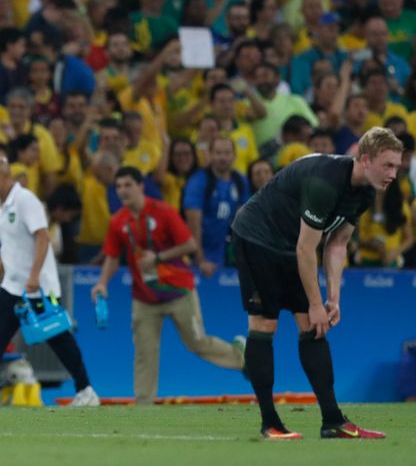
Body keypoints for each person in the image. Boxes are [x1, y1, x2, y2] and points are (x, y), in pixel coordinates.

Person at [231, 127, 399, 440]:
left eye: (397, 167)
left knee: (313, 326)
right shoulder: (325, 183)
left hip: (290, 246)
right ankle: (270, 423)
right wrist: (314, 301)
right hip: (257, 238)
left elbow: (337, 244)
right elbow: (306, 249)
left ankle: (333, 420)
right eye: (387, 165)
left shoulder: (364, 190)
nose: (393, 174)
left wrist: (332, 298)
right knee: (265, 325)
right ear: (365, 160)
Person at [0, 157, 99, 407]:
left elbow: (43, 238)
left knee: (58, 336)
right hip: (14, 285)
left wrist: (35, 276)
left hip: (39, 285)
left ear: (6, 177)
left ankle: (85, 389)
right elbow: (8, 248)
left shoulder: (26, 200)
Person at [91, 167, 244, 405]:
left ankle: (243, 358)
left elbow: (190, 245)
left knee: (197, 342)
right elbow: (112, 256)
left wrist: (158, 258)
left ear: (141, 186)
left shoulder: (163, 212)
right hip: (144, 298)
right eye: (118, 186)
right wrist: (101, 282)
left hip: (179, 291)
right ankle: (144, 406)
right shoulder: (118, 221)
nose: (122, 191)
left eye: (128, 185)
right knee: (144, 351)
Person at [183, 137, 249, 277]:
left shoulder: (240, 181)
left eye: (227, 153)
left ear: (234, 155)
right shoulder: (198, 181)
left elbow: (244, 222)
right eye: (218, 153)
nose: (222, 157)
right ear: (210, 154)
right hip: (200, 255)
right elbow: (193, 224)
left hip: (226, 254)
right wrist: (200, 260)